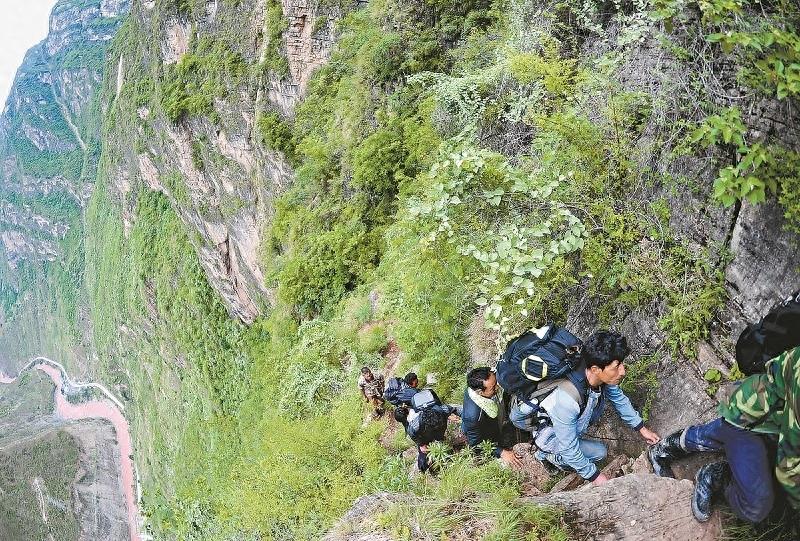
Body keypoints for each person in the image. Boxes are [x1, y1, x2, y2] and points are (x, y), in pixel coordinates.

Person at [649, 346, 800, 526]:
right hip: (752, 416)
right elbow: (788, 467)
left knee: (721, 434)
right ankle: (715, 475)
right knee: (756, 506)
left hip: (772, 421)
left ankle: (674, 449)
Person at [517, 330, 660, 485]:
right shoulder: (566, 400)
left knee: (593, 450)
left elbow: (619, 399)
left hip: (566, 428)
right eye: (617, 366)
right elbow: (569, 449)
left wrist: (641, 429)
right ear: (595, 369)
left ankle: (550, 454)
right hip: (550, 437)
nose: (622, 371)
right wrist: (596, 477)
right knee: (599, 453)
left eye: (621, 364)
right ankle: (549, 457)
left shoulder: (599, 375)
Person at [462, 367, 524, 468]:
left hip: (493, 421)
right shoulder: (473, 418)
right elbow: (476, 444)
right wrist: (501, 452)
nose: (498, 387)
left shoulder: (476, 387)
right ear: (480, 392)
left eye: (496, 382)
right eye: (493, 387)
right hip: (485, 431)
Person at [395, 394, 460, 472]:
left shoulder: (412, 426)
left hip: (425, 436)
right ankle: (446, 453)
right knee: (440, 440)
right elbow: (453, 408)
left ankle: (424, 469)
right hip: (439, 431)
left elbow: (417, 440)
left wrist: (422, 445)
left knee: (423, 454)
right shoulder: (436, 410)